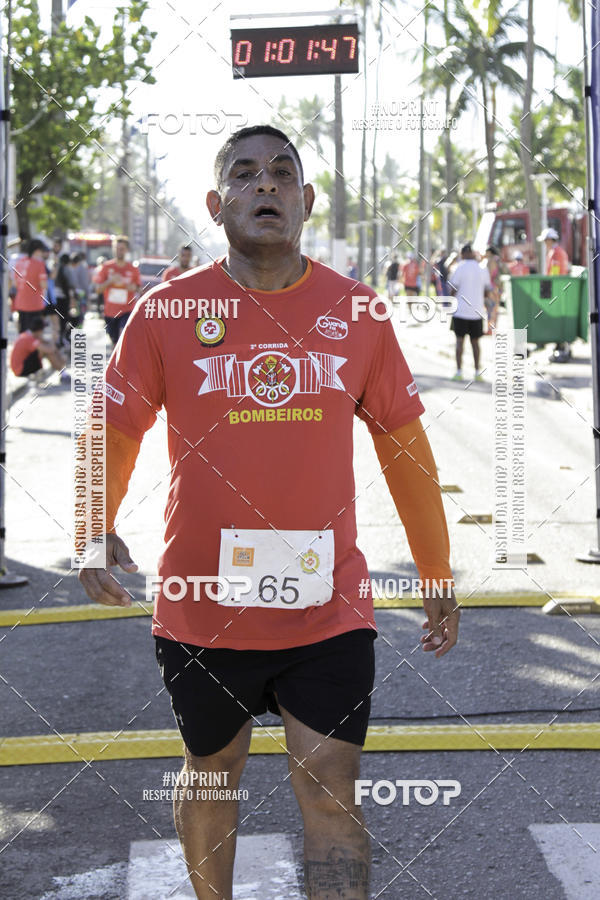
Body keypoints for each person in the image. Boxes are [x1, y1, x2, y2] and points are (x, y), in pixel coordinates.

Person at [78, 124, 459, 900]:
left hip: (328, 606)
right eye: (246, 174)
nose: (267, 185)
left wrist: (435, 570)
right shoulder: (165, 314)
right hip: (202, 603)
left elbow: (405, 449)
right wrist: (93, 527)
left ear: (306, 201)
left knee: (329, 788)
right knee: (214, 777)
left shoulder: (359, 313)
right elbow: (112, 429)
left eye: (283, 173)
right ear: (217, 205)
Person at [448, 243, 492, 381]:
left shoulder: (459, 268)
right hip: (477, 311)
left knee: (459, 342)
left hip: (460, 311)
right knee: (475, 343)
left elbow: (453, 290)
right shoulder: (482, 268)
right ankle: (477, 372)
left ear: (463, 253)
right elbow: (487, 290)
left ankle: (459, 372)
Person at [93, 236, 141, 345]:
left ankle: (122, 361)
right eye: (116, 248)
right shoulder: (106, 267)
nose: (119, 251)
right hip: (110, 312)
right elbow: (97, 290)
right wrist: (110, 281)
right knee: (115, 343)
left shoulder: (132, 269)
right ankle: (116, 361)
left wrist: (133, 287)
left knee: (122, 339)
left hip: (127, 311)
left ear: (127, 250)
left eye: (122, 249)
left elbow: (139, 289)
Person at [538, 227, 571, 361]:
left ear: (550, 240)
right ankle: (560, 345)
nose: (545, 243)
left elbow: (555, 273)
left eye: (546, 240)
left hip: (556, 290)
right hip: (558, 289)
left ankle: (561, 346)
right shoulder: (557, 251)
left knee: (557, 319)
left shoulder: (556, 252)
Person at [10, 315, 68, 381]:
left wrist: (57, 352)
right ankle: (63, 373)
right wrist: (53, 340)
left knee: (47, 348)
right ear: (39, 331)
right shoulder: (28, 338)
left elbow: (47, 344)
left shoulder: (29, 335)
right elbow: (49, 349)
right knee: (47, 351)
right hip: (20, 370)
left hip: (22, 366)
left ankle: (63, 370)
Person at [13, 239, 48, 332]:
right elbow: (43, 285)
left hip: (21, 303)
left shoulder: (19, 262)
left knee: (23, 332)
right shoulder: (40, 264)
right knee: (34, 334)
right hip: (35, 304)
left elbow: (15, 283)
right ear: (37, 250)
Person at [483, 245, 503, 334]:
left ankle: (490, 329)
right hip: (498, 287)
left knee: (489, 308)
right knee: (495, 308)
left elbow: (489, 275)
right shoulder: (498, 260)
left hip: (491, 287)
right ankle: (494, 327)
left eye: (486, 252)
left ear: (489, 252)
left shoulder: (490, 261)